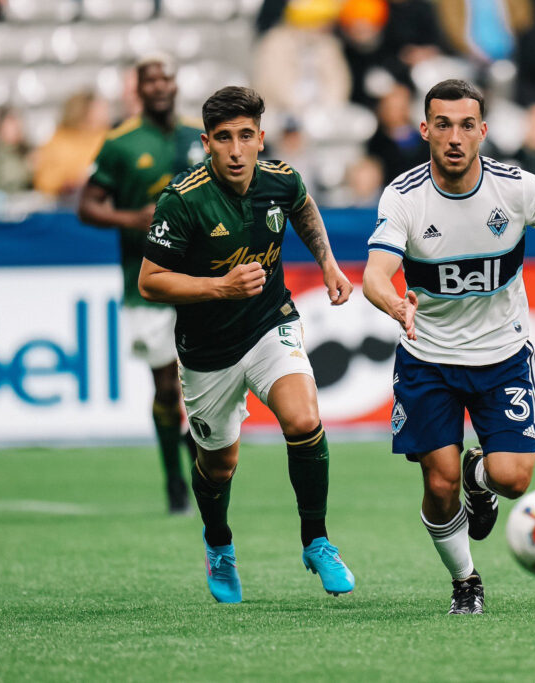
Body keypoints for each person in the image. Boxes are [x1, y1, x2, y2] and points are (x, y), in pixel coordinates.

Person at [362, 79, 535, 614]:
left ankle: (481, 475)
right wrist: (398, 306)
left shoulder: (516, 188)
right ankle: (465, 579)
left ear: (483, 131)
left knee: (514, 479)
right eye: (442, 124)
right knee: (438, 481)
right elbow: (376, 276)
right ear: (424, 129)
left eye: (466, 125)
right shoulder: (404, 196)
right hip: (430, 359)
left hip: (504, 355)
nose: (454, 137)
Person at [137, 85, 356, 603]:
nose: (236, 150)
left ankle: (317, 540)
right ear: (207, 142)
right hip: (208, 350)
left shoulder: (281, 180)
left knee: (304, 420)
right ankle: (219, 545)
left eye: (245, 136)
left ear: (261, 137)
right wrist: (219, 286)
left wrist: (326, 263)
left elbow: (303, 209)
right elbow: (150, 280)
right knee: (220, 465)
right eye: (223, 139)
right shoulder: (183, 199)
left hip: (268, 324)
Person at [78, 54, 205, 514]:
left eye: (165, 77)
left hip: (201, 277)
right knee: (167, 388)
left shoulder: (200, 136)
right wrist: (131, 218)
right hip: (146, 282)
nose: (158, 86)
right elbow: (86, 205)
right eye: (149, 79)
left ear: (175, 83)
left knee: (203, 383)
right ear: (137, 88)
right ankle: (174, 479)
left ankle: (204, 472)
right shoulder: (120, 143)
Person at [34, 90, 110, 198]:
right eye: (98, 108)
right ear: (84, 110)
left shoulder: (107, 137)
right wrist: (68, 183)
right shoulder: (59, 140)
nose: (104, 112)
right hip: (65, 205)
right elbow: (44, 181)